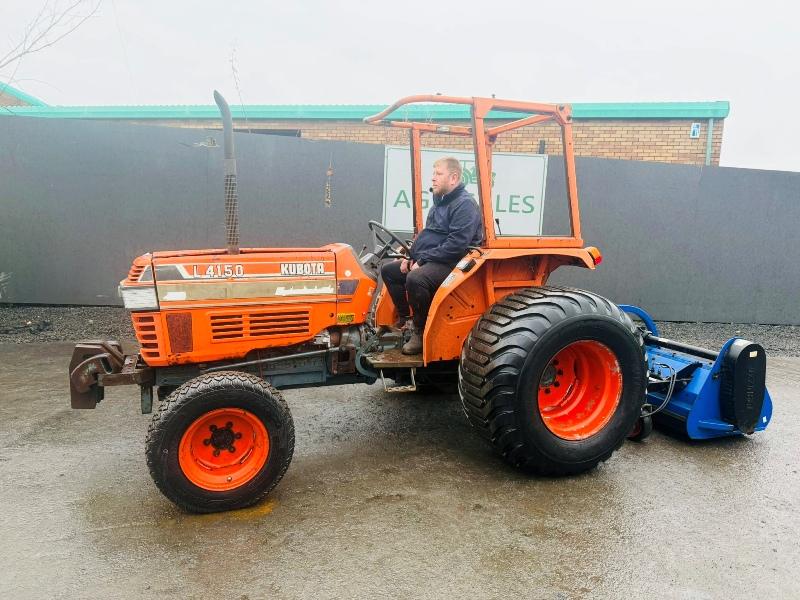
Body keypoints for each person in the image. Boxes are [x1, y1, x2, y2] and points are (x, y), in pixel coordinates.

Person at [381, 157, 483, 355]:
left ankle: (420, 331)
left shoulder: (465, 205)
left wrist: (422, 261)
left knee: (416, 278)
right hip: (437, 257)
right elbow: (429, 236)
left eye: (438, 174)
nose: (433, 178)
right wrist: (411, 257)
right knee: (389, 271)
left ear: (453, 178)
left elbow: (456, 244)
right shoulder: (439, 203)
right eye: (433, 173)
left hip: (456, 261)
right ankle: (406, 320)